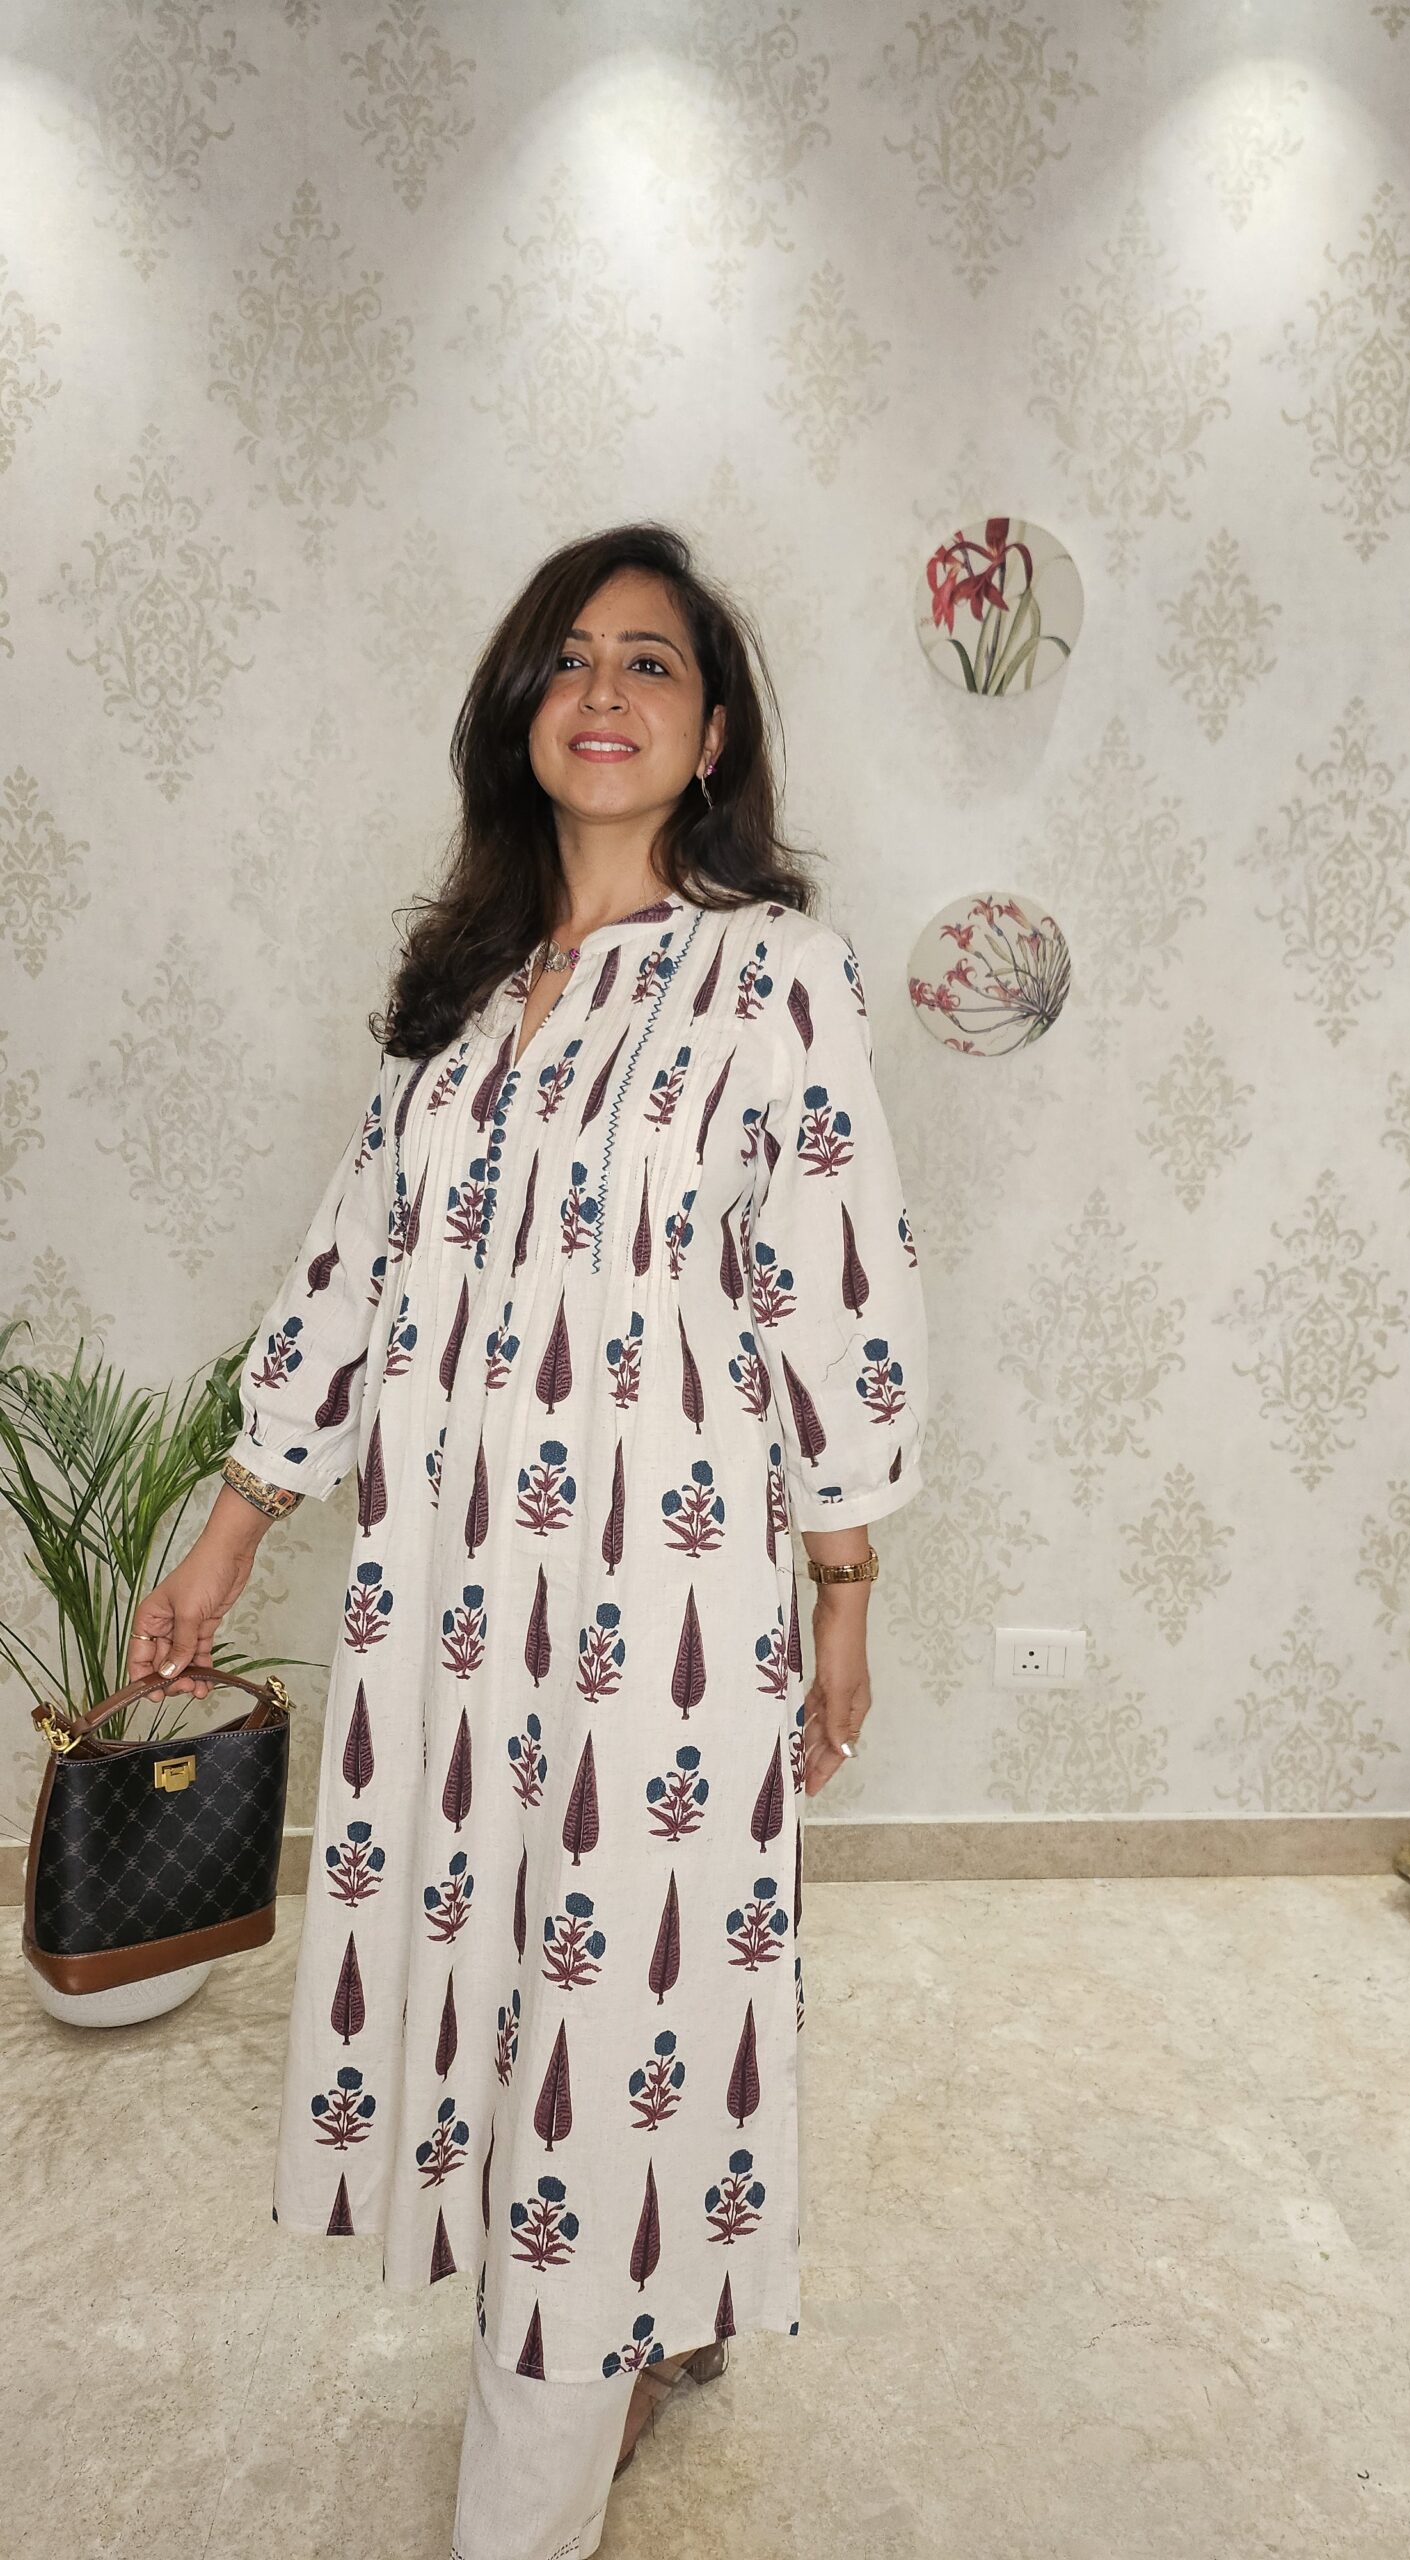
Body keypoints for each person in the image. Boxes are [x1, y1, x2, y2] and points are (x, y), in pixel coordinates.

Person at [127, 522, 929, 2560]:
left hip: (665, 1608)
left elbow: (831, 1286)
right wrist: (234, 1521)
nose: (604, 689)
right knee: (500, 1993)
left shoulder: (775, 975)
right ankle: (650, 2327)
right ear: (519, 715)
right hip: (449, 1607)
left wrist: (843, 1589)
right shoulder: (460, 995)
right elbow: (350, 1264)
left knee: (609, 2006)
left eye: (651, 661)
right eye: (568, 658)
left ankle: (533, 2493)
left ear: (712, 733)